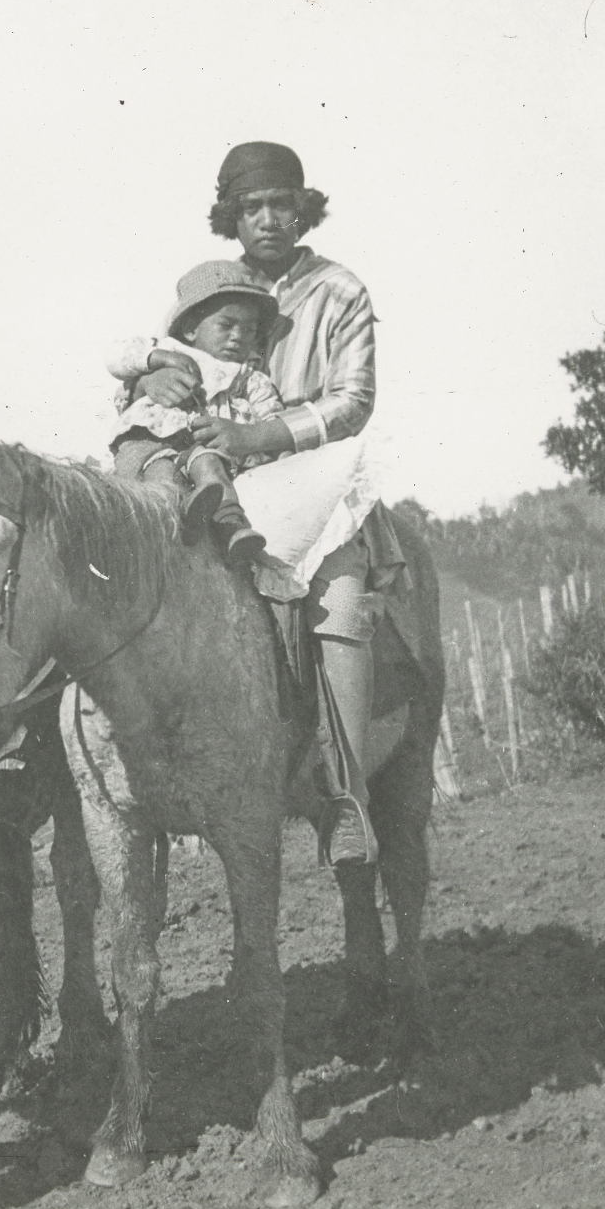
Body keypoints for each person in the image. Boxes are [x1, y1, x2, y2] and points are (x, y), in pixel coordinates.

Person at [187, 139, 395, 866]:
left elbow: (354, 400)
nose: (268, 219)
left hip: (316, 480)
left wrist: (263, 433)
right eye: (251, 207)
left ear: (303, 210)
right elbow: (170, 353)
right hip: (222, 481)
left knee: (337, 599)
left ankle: (345, 794)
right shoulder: (211, 286)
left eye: (281, 204)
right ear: (231, 217)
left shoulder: (339, 290)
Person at [105, 259, 285, 578]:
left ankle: (233, 527)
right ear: (191, 328)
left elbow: (271, 419)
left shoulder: (250, 378)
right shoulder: (172, 352)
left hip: (201, 446)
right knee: (160, 477)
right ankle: (164, 529)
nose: (237, 337)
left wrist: (253, 436)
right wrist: (159, 359)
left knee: (211, 468)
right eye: (226, 325)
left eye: (249, 329)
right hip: (149, 441)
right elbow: (117, 356)